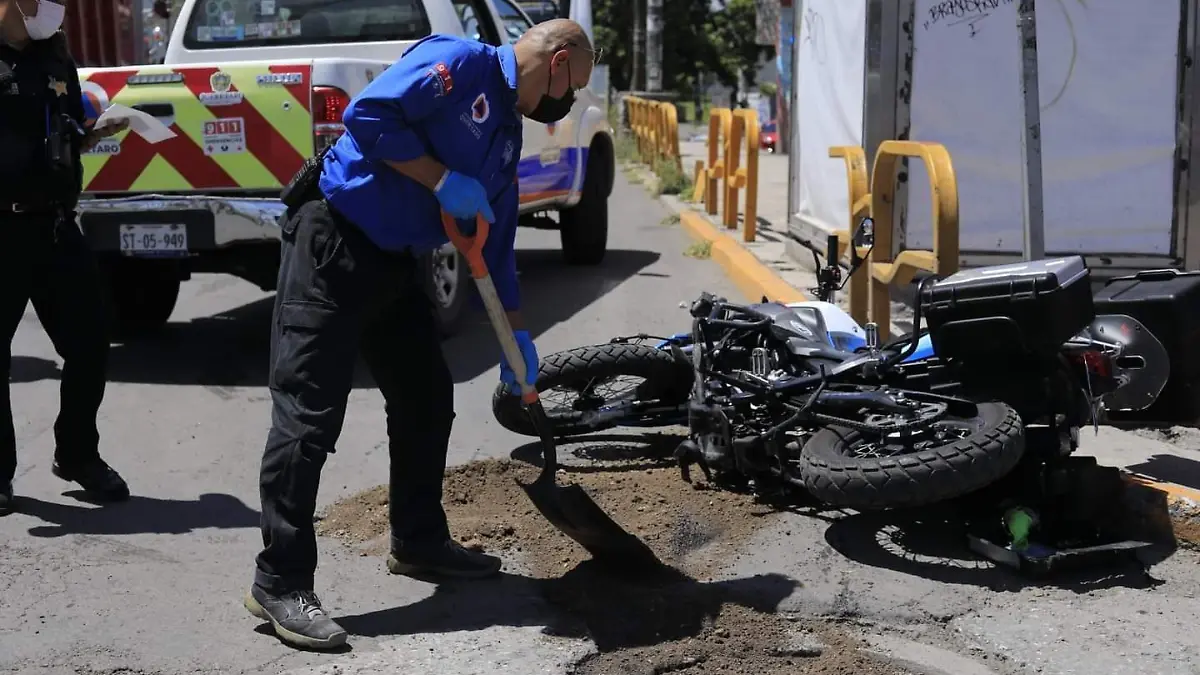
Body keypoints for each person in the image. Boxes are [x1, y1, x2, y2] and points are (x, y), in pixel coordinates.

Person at [244, 19, 598, 650]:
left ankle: (418, 540)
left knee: (427, 397)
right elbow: (369, 117)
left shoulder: (506, 138)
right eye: (575, 85)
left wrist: (515, 340)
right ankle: (279, 580)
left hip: (395, 263)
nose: (568, 102)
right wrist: (439, 178)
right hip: (334, 240)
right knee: (308, 416)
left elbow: (502, 248)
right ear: (559, 58)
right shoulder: (459, 63)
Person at [0, 0, 131, 517]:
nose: (51, 8)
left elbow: (71, 124)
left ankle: (77, 455)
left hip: (54, 224)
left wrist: (94, 133)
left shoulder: (56, 55)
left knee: (90, 343)